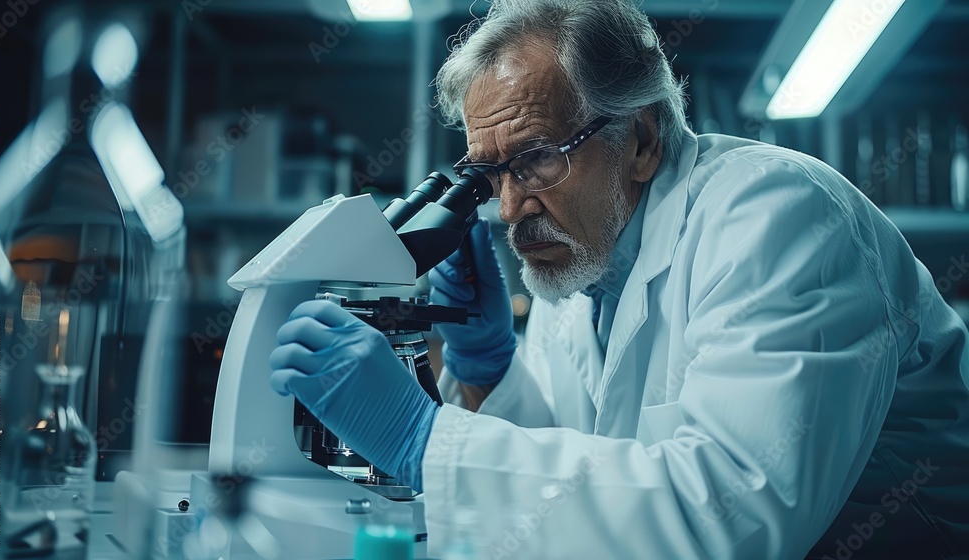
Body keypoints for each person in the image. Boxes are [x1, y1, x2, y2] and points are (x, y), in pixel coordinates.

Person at [268, 0, 969, 557]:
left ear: (640, 139)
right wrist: (487, 371)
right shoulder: (582, 267)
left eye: (536, 159)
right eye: (490, 175)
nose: (509, 209)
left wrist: (422, 439)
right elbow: (578, 483)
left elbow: (729, 518)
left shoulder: (777, 215)